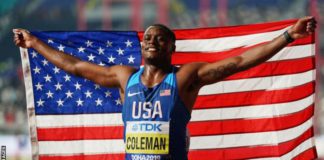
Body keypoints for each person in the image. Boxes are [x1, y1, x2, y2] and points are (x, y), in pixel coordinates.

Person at [13, 16, 316, 160]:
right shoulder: (124, 78)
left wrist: (287, 36)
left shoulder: (184, 78)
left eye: (159, 38)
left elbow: (238, 62)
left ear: (172, 46)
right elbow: (75, 67)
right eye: (147, 38)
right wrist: (34, 43)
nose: (151, 41)